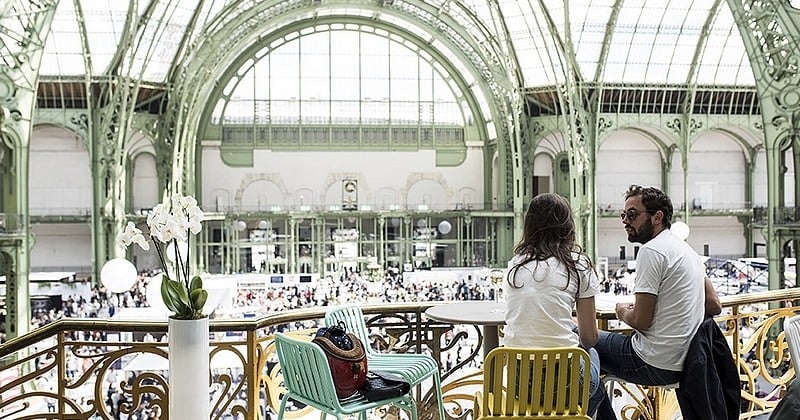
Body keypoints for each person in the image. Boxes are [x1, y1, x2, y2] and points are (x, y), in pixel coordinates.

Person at [593, 185, 722, 420]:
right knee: (592, 362)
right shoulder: (686, 251)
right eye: (623, 215)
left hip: (653, 362)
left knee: (582, 339)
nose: (625, 221)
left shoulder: (652, 252)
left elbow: (641, 320)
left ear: (657, 217)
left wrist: (621, 310)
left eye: (632, 215)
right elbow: (714, 305)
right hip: (688, 362)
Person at [504, 193, 603, 416]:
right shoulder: (578, 265)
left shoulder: (515, 265)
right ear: (568, 225)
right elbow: (589, 337)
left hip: (519, 385)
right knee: (595, 354)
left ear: (528, 225)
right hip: (567, 386)